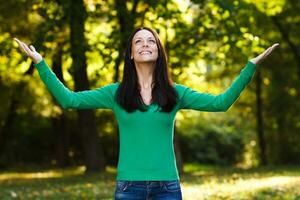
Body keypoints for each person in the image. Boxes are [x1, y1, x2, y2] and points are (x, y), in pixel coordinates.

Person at [14, 27, 279, 200]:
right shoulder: (115, 93)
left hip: (168, 188)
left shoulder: (176, 93)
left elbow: (220, 103)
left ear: (158, 51)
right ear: (131, 53)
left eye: (151, 40)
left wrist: (250, 68)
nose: (145, 44)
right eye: (138, 41)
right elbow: (69, 100)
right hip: (129, 188)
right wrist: (40, 63)